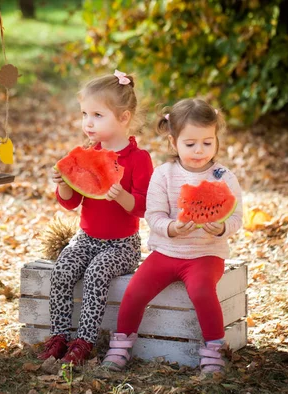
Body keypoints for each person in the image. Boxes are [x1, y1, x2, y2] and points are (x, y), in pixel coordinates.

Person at [101, 98, 243, 375]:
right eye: (190, 144)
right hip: (165, 253)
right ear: (173, 142)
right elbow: (153, 215)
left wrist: (223, 228)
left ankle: (214, 351)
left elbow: (236, 217)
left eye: (207, 142)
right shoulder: (163, 175)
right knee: (134, 292)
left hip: (206, 254)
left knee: (202, 291)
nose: (200, 150)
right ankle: (120, 346)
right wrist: (170, 228)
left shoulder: (224, 176)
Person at [38, 70, 154, 366]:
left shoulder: (139, 159)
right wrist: (63, 183)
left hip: (122, 246)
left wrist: (123, 197)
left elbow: (144, 206)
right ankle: (59, 335)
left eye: (97, 115)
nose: (87, 122)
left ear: (124, 117)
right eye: (84, 114)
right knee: (62, 269)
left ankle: (84, 341)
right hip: (86, 239)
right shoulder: (87, 155)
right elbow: (71, 202)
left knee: (96, 273)